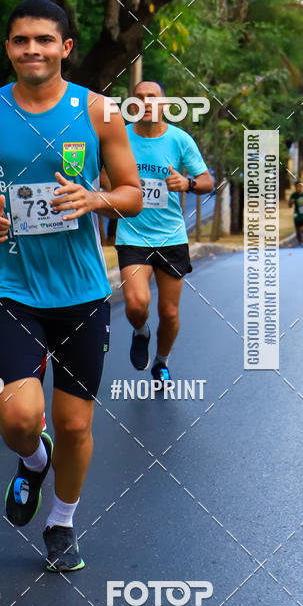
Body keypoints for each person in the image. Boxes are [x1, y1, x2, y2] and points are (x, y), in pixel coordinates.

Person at [0, 0, 142, 572]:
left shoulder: (100, 112)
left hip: (84, 293)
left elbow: (133, 192)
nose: (31, 50)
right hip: (13, 288)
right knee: (18, 418)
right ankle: (34, 460)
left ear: (65, 48)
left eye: (43, 40)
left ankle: (61, 523)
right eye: (20, 41)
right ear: (8, 49)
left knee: (76, 423)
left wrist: (97, 197)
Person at [104, 81, 214, 384]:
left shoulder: (180, 140)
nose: (146, 102)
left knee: (169, 313)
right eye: (139, 98)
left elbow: (207, 181)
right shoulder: (120, 136)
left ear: (164, 104)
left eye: (152, 97)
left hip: (171, 237)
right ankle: (141, 331)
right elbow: (102, 175)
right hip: (133, 236)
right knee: (137, 304)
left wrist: (187, 184)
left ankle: (162, 362)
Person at [288, 180, 303, 246]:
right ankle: (301, 243)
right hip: (297, 215)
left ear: (301, 186)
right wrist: (291, 202)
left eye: (298, 187)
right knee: (298, 231)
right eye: (296, 187)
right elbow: (289, 206)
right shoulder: (294, 195)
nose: (297, 188)